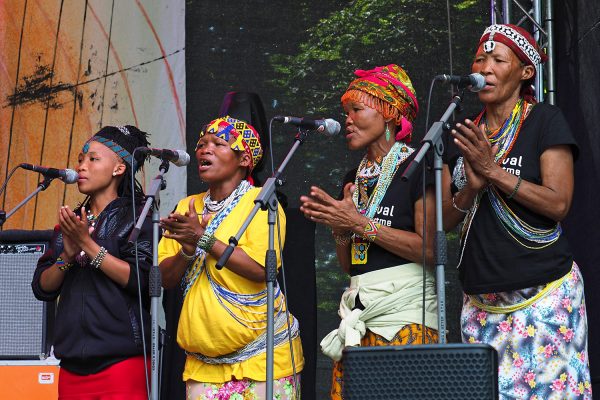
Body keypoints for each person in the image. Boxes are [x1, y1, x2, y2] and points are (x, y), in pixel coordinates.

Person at [444, 24, 592, 399]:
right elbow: (446, 219)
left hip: (543, 294)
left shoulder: (545, 120)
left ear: (525, 72)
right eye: (480, 59)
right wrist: (472, 187)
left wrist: (493, 172)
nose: (486, 68)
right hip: (481, 302)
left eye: (498, 60)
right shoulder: (462, 132)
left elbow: (559, 203)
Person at [299, 64, 438, 399]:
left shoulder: (419, 163)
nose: (347, 119)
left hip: (407, 315)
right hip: (359, 309)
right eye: (345, 112)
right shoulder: (354, 177)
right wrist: (340, 228)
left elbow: (430, 250)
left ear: (390, 113)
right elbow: (350, 265)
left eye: (356, 110)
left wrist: (359, 224)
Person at [157, 116, 303, 399]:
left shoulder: (262, 203)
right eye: (201, 144)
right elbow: (166, 278)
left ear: (244, 159)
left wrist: (202, 238)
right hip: (202, 366)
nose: (204, 150)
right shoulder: (187, 206)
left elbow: (262, 270)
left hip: (264, 359)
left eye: (218, 143)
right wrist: (187, 249)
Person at [32, 125, 154, 399]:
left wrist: (87, 245)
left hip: (122, 364)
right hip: (72, 367)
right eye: (80, 159)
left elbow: (142, 281)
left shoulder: (139, 218)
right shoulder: (71, 222)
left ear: (118, 168)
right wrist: (67, 255)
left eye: (92, 159)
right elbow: (43, 288)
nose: (81, 166)